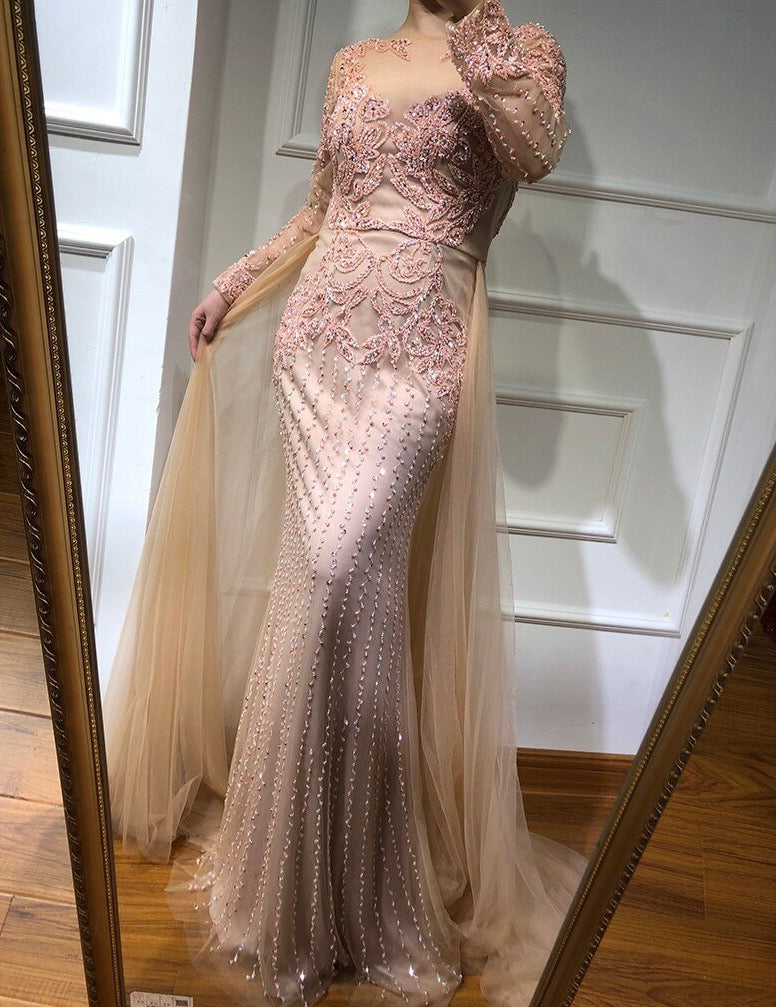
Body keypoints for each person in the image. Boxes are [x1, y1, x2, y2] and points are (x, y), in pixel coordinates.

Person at [102, 2, 588, 1005]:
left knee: (338, 574)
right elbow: (322, 208)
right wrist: (235, 281)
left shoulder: (520, 51)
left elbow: (533, 153)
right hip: (317, 340)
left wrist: (479, 38)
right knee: (319, 596)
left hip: (419, 351)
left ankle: (362, 889)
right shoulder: (352, 61)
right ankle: (283, 882)